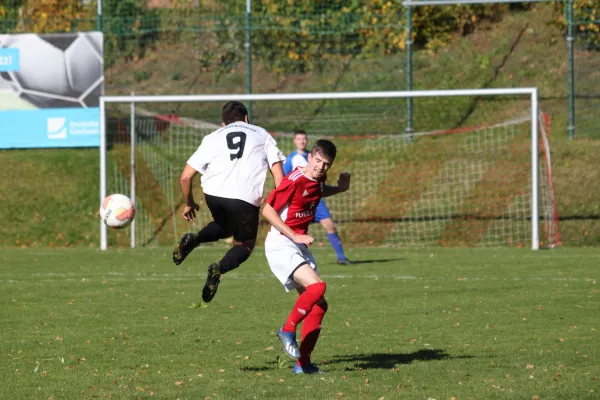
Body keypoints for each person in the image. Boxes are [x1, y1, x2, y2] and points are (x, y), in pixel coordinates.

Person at [173, 101, 286, 303]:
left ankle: (195, 239)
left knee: (225, 227)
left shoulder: (212, 137)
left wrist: (189, 203)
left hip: (214, 193)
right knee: (246, 243)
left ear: (223, 123)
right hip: (244, 197)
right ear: (246, 119)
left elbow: (185, 177)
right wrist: (281, 206)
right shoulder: (261, 133)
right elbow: (278, 175)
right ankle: (219, 268)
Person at [262, 139, 351, 374]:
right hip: (282, 242)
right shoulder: (294, 180)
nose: (321, 167)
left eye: (326, 165)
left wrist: (340, 189)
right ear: (310, 157)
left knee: (320, 306)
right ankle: (287, 329)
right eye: (318, 161)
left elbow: (320, 190)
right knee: (317, 287)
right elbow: (267, 210)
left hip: (296, 243)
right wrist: (294, 235)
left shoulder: (318, 178)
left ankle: (303, 365)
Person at [283, 130, 354, 265]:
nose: (301, 141)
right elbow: (284, 181)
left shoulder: (320, 157)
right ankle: (290, 260)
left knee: (330, 226)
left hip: (317, 200)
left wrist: (340, 188)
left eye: (304, 139)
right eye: (299, 139)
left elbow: (320, 187)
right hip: (299, 202)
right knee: (293, 231)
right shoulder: (291, 159)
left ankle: (341, 258)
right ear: (294, 141)